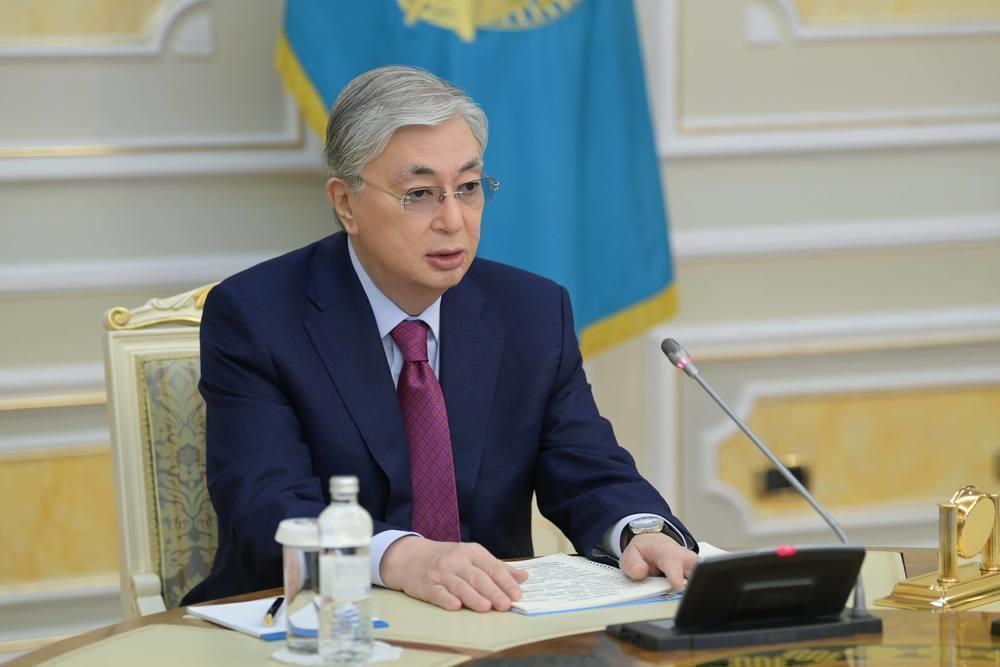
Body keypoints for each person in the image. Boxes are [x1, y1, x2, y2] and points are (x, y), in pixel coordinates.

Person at [182, 66, 697, 611]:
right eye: (420, 194)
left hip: (486, 619)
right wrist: (401, 557)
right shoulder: (257, 316)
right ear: (346, 203)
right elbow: (266, 504)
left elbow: (587, 467)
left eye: (469, 188)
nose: (453, 220)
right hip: (311, 620)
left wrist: (639, 532)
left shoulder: (531, 311)